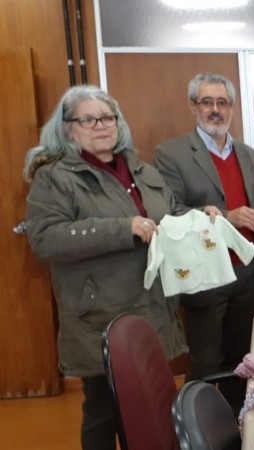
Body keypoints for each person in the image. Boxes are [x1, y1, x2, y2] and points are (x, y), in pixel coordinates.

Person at [23, 85, 217, 450]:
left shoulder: (143, 171)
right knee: (102, 410)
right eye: (88, 119)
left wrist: (198, 215)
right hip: (99, 314)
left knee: (150, 403)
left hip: (151, 306)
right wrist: (121, 228)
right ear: (67, 128)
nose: (101, 125)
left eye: (108, 117)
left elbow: (168, 215)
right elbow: (45, 238)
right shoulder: (55, 177)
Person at [154, 73, 254, 394]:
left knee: (241, 360)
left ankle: (237, 429)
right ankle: (198, 433)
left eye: (222, 102)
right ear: (193, 107)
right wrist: (225, 218)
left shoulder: (249, 154)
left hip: (246, 273)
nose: (215, 110)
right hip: (205, 274)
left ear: (232, 107)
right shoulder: (172, 154)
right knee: (205, 363)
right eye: (207, 102)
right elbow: (170, 212)